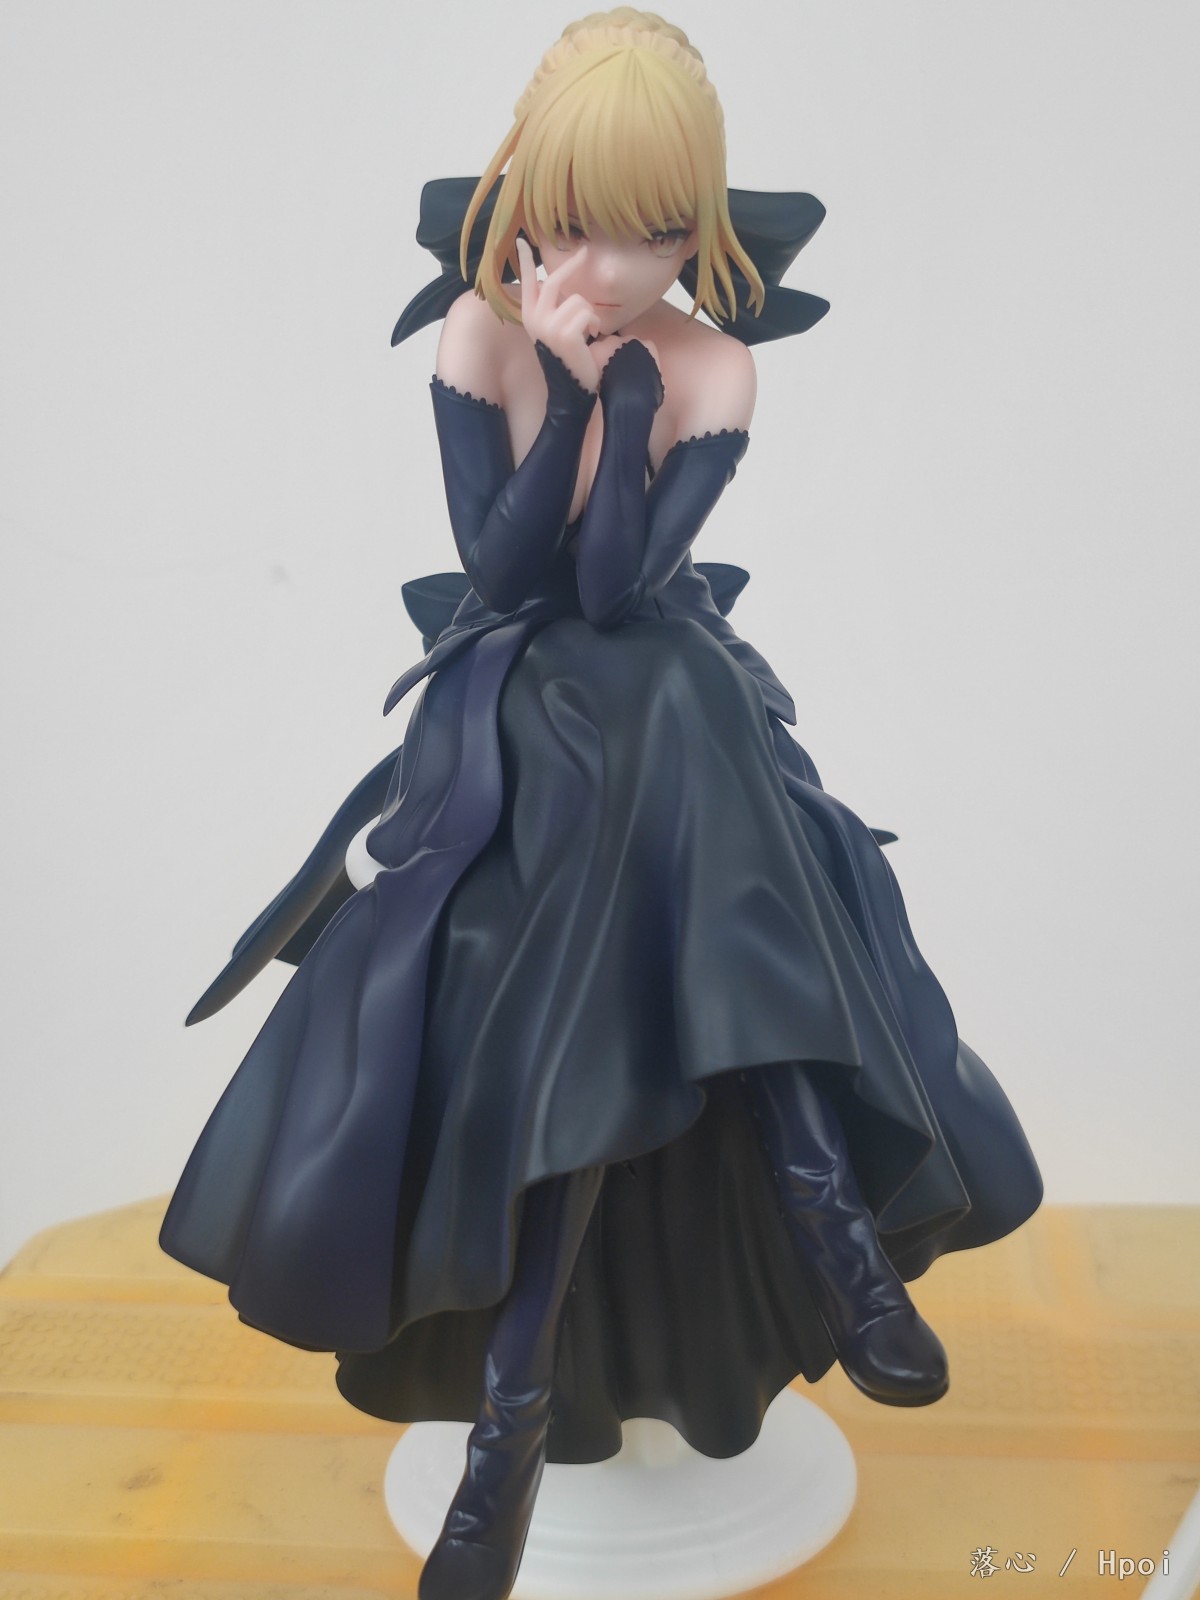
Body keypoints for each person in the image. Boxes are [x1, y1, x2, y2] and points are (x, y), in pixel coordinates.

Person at [160, 11, 1043, 1600]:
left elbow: (628, 587)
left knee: (673, 702)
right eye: (573, 224)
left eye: (654, 233)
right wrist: (568, 399)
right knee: (638, 756)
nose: (611, 269)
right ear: (518, 197)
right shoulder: (477, 338)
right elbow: (510, 579)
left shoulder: (716, 365)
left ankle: (511, 1443)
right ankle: (821, 1243)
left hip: (664, 702)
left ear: (698, 225)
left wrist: (629, 407)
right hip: (513, 705)